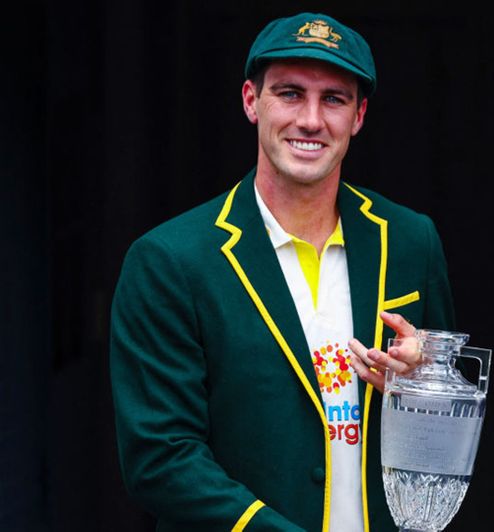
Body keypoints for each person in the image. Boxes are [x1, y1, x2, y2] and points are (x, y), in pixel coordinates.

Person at [110, 12, 454, 531]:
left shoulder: (409, 240)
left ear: (358, 116)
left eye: (333, 99)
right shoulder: (170, 260)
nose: (311, 119)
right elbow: (161, 459)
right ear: (251, 101)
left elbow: (450, 438)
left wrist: (426, 387)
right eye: (290, 93)